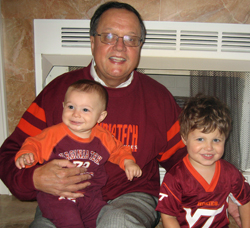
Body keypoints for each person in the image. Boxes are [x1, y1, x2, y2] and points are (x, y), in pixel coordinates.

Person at [0, 1, 238, 228]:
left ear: (139, 48)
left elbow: (186, 156)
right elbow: (10, 154)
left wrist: (222, 191)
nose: (120, 47)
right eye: (109, 36)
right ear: (93, 42)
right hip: (63, 197)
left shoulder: (158, 98)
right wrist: (34, 179)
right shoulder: (57, 92)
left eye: (131, 39)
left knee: (117, 222)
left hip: (132, 196)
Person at [14, 79, 142, 228]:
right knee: (71, 222)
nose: (76, 114)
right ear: (63, 106)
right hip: (58, 196)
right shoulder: (53, 134)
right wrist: (27, 154)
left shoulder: (103, 137)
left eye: (85, 110)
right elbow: (34, 144)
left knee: (100, 220)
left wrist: (128, 162)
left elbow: (119, 150)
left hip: (91, 196)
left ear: (101, 116)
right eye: (71, 107)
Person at [156, 94, 250, 228]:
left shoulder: (231, 173)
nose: (209, 147)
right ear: (184, 139)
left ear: (226, 139)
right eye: (200, 139)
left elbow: (245, 202)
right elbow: (168, 216)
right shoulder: (175, 178)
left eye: (216, 140)